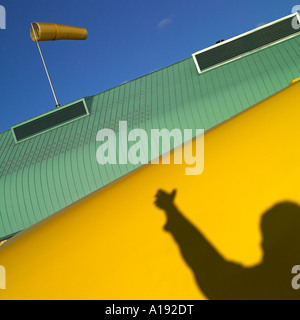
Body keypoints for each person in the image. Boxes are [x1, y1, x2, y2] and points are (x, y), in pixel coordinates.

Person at [154, 189, 300, 300]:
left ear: (264, 245)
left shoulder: (255, 288)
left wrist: (173, 214)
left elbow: (208, 266)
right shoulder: (256, 285)